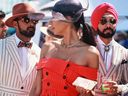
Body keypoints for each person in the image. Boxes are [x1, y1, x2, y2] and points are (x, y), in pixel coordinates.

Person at [30, 0, 100, 96]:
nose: (50, 21)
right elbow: (36, 88)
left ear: (69, 19)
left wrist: (85, 92)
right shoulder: (47, 47)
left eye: (54, 17)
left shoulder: (90, 53)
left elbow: (90, 93)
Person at [0, 3, 44, 96]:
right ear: (15, 24)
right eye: (26, 20)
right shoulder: (1, 45)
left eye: (35, 21)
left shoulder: (40, 53)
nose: (32, 24)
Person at [91, 2, 128, 96]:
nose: (108, 25)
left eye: (112, 21)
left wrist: (120, 88)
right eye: (103, 21)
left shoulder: (125, 52)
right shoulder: (86, 49)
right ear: (96, 23)